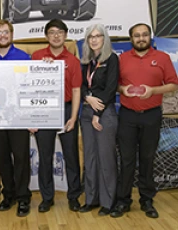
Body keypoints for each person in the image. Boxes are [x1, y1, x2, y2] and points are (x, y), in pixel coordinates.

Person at [110, 23, 178, 219]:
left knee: (148, 159)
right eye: (137, 35)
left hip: (152, 115)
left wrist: (153, 91)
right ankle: (123, 200)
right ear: (131, 39)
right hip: (127, 115)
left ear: (150, 37)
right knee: (126, 159)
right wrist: (122, 89)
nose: (141, 38)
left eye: (144, 35)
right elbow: (113, 85)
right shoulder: (121, 59)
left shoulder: (163, 58)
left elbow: (174, 84)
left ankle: (146, 200)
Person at [30, 19, 82, 213]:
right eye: (52, 32)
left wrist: (74, 117)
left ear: (65, 35)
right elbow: (29, 88)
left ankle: (74, 196)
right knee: (45, 156)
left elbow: (77, 90)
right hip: (44, 109)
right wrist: (32, 117)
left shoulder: (73, 61)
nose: (56, 35)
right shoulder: (36, 57)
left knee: (71, 156)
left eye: (60, 32)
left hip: (67, 109)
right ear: (46, 36)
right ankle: (47, 197)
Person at [0, 19, 32, 217]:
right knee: (3, 158)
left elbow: (29, 89)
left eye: (5, 32)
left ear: (11, 35)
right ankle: (8, 195)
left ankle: (23, 197)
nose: (2, 36)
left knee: (21, 158)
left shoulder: (23, 57)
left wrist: (30, 118)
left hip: (18, 116)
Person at [79, 24, 119, 216]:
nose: (94, 39)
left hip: (104, 114)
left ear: (105, 38)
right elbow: (80, 84)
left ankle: (108, 202)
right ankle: (91, 199)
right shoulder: (86, 61)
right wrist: (87, 97)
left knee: (106, 159)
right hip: (85, 114)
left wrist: (98, 114)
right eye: (90, 37)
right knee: (90, 158)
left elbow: (111, 89)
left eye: (98, 36)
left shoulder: (112, 59)